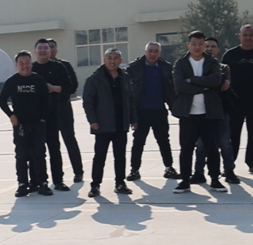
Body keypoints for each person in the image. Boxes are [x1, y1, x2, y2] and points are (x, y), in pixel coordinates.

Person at [172, 31, 226, 194]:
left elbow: (216, 80)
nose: (197, 47)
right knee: (186, 149)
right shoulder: (181, 63)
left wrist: (193, 80)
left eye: (200, 44)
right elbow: (180, 85)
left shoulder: (212, 62)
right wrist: (203, 87)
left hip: (209, 113)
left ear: (204, 45)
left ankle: (215, 179)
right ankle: (185, 180)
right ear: (188, 45)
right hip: (188, 114)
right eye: (194, 44)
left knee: (212, 148)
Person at [82, 48, 135, 198]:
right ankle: (95, 185)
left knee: (120, 156)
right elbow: (88, 102)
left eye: (115, 58)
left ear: (120, 60)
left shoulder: (125, 78)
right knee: (100, 156)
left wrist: (133, 119)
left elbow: (131, 100)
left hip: (121, 124)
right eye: (109, 58)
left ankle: (120, 183)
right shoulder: (95, 79)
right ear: (104, 60)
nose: (112, 61)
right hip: (102, 124)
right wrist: (93, 120)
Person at [0, 50, 51, 197]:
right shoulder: (12, 81)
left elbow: (47, 101)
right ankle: (22, 184)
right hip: (20, 125)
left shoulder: (38, 80)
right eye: (21, 63)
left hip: (37, 124)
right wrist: (11, 115)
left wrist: (43, 118)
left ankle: (42, 183)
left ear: (31, 63)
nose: (25, 65)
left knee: (39, 154)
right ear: (16, 65)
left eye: (27, 62)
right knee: (21, 155)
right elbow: (1, 100)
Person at [125, 41, 179, 181]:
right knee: (138, 142)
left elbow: (172, 88)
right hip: (141, 111)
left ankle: (169, 167)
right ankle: (134, 170)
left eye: (155, 51)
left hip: (159, 110)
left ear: (159, 53)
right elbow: (126, 89)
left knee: (163, 140)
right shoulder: (134, 67)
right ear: (145, 52)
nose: (152, 54)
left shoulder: (166, 67)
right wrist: (130, 113)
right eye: (150, 51)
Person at [222, 24, 253, 174]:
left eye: (251, 35)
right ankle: (229, 164)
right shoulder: (230, 55)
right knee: (233, 134)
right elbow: (223, 76)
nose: (248, 38)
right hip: (234, 101)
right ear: (240, 36)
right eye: (245, 35)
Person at [193, 37, 239, 184]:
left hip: (220, 111)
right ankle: (198, 173)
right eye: (207, 46)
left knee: (225, 143)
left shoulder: (224, 68)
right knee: (201, 145)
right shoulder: (197, 67)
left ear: (218, 50)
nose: (209, 49)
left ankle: (229, 171)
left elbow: (223, 85)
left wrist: (204, 83)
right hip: (201, 111)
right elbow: (194, 84)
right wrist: (209, 84)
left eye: (213, 46)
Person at [31, 39, 72, 191]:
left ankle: (58, 181)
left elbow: (69, 88)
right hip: (34, 117)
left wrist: (53, 88)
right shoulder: (31, 68)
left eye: (46, 48)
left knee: (54, 148)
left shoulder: (58, 67)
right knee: (35, 150)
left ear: (51, 51)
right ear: (35, 51)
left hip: (53, 114)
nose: (43, 50)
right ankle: (36, 182)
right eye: (40, 48)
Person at [47, 39, 84, 182]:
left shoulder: (64, 65)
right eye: (47, 47)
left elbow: (73, 87)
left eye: (52, 47)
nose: (49, 50)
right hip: (46, 110)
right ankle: (55, 177)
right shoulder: (36, 67)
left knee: (69, 139)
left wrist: (56, 89)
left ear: (56, 49)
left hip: (63, 107)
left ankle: (78, 171)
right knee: (51, 143)